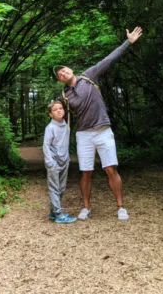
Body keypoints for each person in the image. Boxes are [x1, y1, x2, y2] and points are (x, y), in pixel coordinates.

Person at [54, 26, 142, 221]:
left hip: (103, 130)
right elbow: (61, 119)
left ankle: (121, 207)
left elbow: (109, 59)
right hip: (83, 134)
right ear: (59, 80)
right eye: (59, 74)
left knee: (111, 169)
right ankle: (86, 208)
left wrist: (128, 42)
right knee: (86, 172)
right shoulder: (64, 95)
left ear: (71, 70)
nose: (63, 73)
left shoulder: (89, 76)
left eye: (64, 69)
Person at [43, 100, 77, 223]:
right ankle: (58, 214)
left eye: (60, 108)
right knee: (54, 188)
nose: (58, 110)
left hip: (64, 161)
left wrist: (67, 158)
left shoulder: (66, 125)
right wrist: (50, 162)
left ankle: (53, 212)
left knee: (62, 188)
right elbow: (46, 146)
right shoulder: (50, 128)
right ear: (51, 114)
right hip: (53, 163)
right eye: (55, 109)